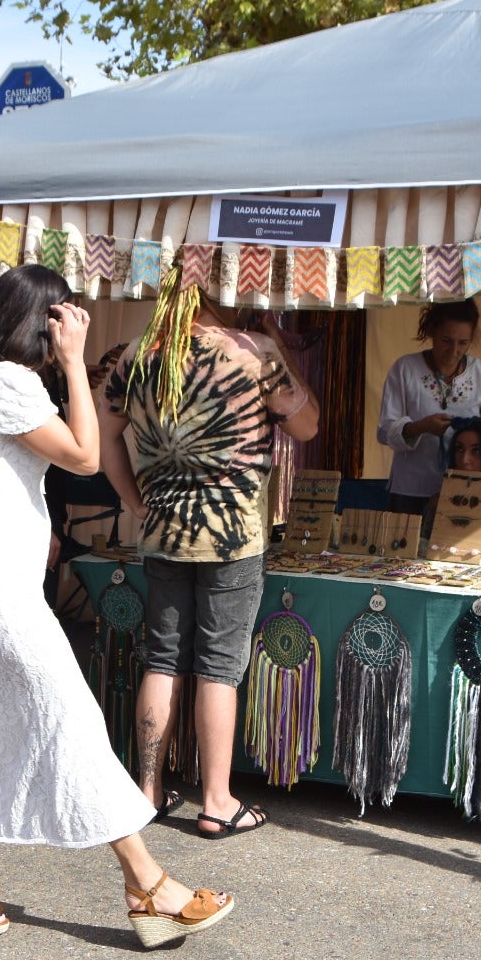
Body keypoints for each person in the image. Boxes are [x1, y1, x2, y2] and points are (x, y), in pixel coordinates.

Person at [0, 264, 233, 948]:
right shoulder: (7, 381)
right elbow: (87, 456)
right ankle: (146, 883)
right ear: (42, 319)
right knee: (68, 717)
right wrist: (76, 363)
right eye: (63, 315)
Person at [99, 270, 318, 841]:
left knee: (163, 658)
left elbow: (104, 437)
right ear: (221, 294)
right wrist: (271, 337)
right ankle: (217, 800)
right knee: (220, 666)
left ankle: (146, 791)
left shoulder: (137, 357)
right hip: (231, 535)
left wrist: (132, 500)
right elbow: (308, 423)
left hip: (164, 530)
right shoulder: (252, 352)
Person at [377, 299, 481, 516]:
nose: (454, 350)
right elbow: (385, 430)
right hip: (412, 488)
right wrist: (419, 427)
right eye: (446, 340)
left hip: (467, 491)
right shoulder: (405, 369)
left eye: (463, 343)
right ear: (432, 331)